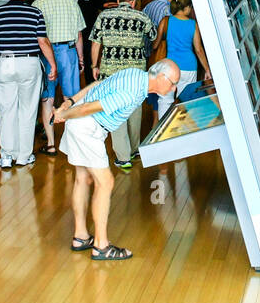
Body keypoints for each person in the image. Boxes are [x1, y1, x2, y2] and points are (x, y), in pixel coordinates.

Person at [54, 59, 182, 261]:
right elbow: (89, 108)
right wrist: (65, 114)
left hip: (80, 122)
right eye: (173, 82)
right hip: (87, 126)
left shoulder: (135, 74)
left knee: (83, 178)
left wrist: (69, 104)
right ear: (161, 77)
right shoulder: (132, 92)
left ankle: (80, 236)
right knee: (106, 182)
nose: (174, 88)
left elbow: (97, 85)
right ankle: (101, 246)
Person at [0, 0, 56, 168]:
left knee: (6, 110)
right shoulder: (35, 13)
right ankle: (24, 156)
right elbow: (43, 41)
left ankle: (7, 155)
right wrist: (52, 64)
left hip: (4, 62)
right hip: (29, 61)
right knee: (27, 110)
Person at [88, 0, 156, 168]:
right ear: (133, 2)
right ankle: (134, 150)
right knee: (134, 111)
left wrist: (94, 65)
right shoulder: (142, 17)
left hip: (111, 73)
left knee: (116, 111)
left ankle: (123, 157)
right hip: (136, 74)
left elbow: (95, 43)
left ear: (118, 2)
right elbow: (153, 36)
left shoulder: (104, 16)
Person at [32, 0, 86, 155]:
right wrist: (80, 59)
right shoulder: (72, 3)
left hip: (46, 54)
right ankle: (72, 143)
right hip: (68, 52)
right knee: (70, 99)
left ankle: (51, 143)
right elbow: (79, 35)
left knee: (47, 99)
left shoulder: (37, 4)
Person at [150, 0, 210, 121]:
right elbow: (198, 50)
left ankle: (164, 130)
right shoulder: (193, 24)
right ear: (187, 7)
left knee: (165, 100)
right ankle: (184, 129)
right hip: (188, 67)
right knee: (187, 100)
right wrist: (207, 69)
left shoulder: (166, 21)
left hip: (169, 68)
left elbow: (156, 44)